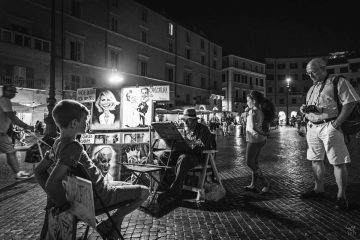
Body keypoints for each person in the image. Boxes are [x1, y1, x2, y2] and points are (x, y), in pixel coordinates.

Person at [34, 99, 149, 239]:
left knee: (127, 185)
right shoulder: (73, 146)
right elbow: (51, 184)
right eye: (85, 120)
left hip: (95, 191)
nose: (87, 123)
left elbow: (39, 171)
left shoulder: (58, 143)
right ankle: (109, 225)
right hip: (99, 196)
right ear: (74, 123)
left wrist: (60, 197)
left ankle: (113, 227)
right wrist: (64, 205)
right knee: (144, 192)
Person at [300, 58, 360, 210]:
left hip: (330, 126)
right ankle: (318, 189)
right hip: (313, 127)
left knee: (338, 162)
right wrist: (305, 111)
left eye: (313, 72)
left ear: (323, 68)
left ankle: (341, 196)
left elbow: (351, 102)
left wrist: (336, 124)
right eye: (308, 74)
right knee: (315, 159)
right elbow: (315, 107)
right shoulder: (312, 88)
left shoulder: (337, 81)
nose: (310, 76)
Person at [157, 108, 215, 205]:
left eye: (187, 120)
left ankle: (174, 192)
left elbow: (204, 146)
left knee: (183, 159)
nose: (185, 123)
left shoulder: (203, 130)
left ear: (194, 120)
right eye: (184, 120)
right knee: (163, 156)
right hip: (184, 153)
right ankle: (165, 186)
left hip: (198, 156)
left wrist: (190, 144)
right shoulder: (185, 130)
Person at [0, 85, 34, 180]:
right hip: (1, 134)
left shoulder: (3, 100)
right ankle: (18, 174)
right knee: (11, 152)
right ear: (4, 91)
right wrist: (26, 126)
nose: (13, 93)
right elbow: (12, 116)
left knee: (11, 152)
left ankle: (18, 173)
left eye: (14, 91)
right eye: (10, 91)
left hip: (2, 134)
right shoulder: (5, 100)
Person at [244, 90, 275, 194]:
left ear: (254, 100)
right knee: (255, 162)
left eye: (248, 101)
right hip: (260, 139)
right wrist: (264, 134)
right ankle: (253, 184)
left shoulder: (252, 111)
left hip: (254, 139)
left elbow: (253, 127)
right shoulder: (260, 110)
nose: (247, 103)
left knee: (249, 162)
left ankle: (265, 183)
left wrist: (262, 133)